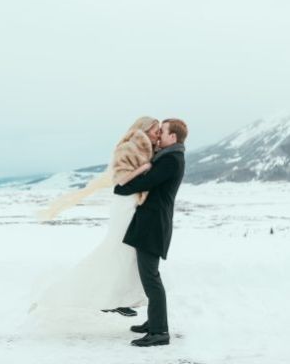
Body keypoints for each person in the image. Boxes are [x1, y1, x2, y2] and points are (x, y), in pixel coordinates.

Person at [30, 117, 160, 318]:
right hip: (125, 205)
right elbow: (121, 179)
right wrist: (145, 169)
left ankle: (117, 298)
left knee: (126, 254)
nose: (158, 134)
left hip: (134, 203)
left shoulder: (146, 149)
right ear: (144, 129)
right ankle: (65, 294)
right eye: (155, 130)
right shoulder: (127, 148)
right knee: (117, 250)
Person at [114, 118, 188, 347]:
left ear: (173, 137)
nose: (158, 137)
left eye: (162, 132)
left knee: (151, 278)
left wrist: (121, 187)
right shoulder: (167, 156)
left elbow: (147, 181)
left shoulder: (172, 160)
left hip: (154, 225)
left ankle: (159, 332)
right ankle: (153, 321)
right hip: (150, 222)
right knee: (149, 276)